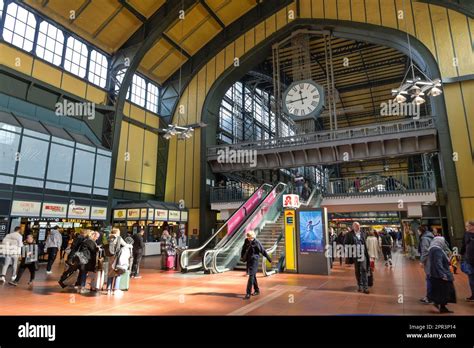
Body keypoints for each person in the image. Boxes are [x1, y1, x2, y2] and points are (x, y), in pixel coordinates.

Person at [427, 236, 456, 313]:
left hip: (434, 274)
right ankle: (441, 306)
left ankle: (441, 305)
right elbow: (438, 263)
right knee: (445, 291)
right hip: (440, 274)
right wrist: (443, 275)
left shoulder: (432, 248)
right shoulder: (437, 250)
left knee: (440, 291)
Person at [240, 230, 272, 299]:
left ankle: (248, 293)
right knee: (253, 275)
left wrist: (269, 259)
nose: (249, 239)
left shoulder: (256, 242)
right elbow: (243, 249)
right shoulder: (246, 241)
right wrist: (242, 257)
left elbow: (263, 250)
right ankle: (257, 290)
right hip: (249, 260)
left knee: (251, 275)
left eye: (250, 238)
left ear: (253, 237)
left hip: (254, 261)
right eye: (248, 237)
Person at [344, 222, 370, 294]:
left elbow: (365, 243)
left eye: (359, 226)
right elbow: (345, 244)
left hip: (363, 254)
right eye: (356, 226)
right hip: (355, 254)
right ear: (353, 227)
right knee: (357, 270)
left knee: (364, 269)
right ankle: (359, 285)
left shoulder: (363, 233)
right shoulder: (349, 234)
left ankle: (366, 287)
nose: (358, 227)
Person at [104, 228, 128, 294]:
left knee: (110, 272)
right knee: (118, 272)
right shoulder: (118, 238)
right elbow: (125, 245)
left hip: (109, 256)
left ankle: (109, 289)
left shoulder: (108, 238)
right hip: (117, 256)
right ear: (117, 232)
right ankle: (115, 289)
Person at [419, 226, 434, 304]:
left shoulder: (424, 239)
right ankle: (432, 296)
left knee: (429, 278)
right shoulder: (432, 236)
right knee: (432, 278)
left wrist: (422, 261)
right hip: (434, 259)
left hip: (428, 261)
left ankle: (429, 297)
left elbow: (425, 251)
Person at [460, 220, 474, 302]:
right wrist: (462, 254)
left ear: (472, 226)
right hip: (469, 260)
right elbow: (463, 246)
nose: (466, 228)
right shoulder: (466, 234)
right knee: (471, 279)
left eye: (467, 226)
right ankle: (473, 295)